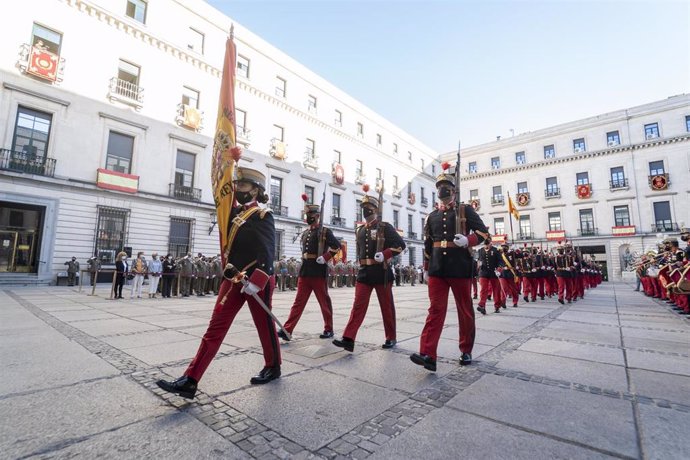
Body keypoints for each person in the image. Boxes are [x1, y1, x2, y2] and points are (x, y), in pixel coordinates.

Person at [157, 166, 280, 399]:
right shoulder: (233, 214)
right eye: (238, 185)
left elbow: (268, 252)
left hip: (254, 280)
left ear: (255, 190)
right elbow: (223, 196)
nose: (237, 189)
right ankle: (191, 380)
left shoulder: (263, 216)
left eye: (242, 185)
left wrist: (258, 280)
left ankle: (273, 366)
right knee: (215, 328)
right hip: (233, 279)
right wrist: (228, 164)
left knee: (264, 325)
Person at [410, 162, 489, 371]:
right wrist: (427, 267)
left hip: (459, 267)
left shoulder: (465, 210)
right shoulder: (432, 216)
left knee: (464, 310)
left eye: (446, 186)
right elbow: (428, 244)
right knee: (435, 310)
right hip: (437, 269)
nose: (442, 190)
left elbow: (483, 233)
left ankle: (466, 349)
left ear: (454, 190)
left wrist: (468, 240)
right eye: (439, 187)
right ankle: (428, 354)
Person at [333, 185, 405, 352]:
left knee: (386, 307)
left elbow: (400, 245)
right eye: (363, 208)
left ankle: (391, 337)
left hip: (381, 272)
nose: (365, 210)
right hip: (364, 272)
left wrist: (386, 254)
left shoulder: (385, 227)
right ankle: (348, 338)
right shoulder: (360, 230)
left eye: (368, 208)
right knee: (358, 306)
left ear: (375, 209)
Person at [278, 196, 341, 340]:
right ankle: (287, 330)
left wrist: (325, 257)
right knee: (298, 303)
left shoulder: (325, 232)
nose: (308, 218)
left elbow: (336, 246)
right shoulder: (305, 233)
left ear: (317, 216)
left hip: (318, 271)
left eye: (310, 216)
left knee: (324, 302)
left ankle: (328, 328)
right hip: (305, 270)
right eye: (307, 215)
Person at [477, 239, 503, 314]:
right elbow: (479, 260)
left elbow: (500, 261)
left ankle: (497, 306)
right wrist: (478, 265)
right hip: (483, 272)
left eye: (487, 245)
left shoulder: (496, 250)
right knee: (483, 289)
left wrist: (499, 268)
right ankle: (482, 306)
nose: (486, 246)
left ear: (490, 244)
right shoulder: (480, 250)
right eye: (485, 245)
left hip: (493, 272)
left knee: (496, 290)